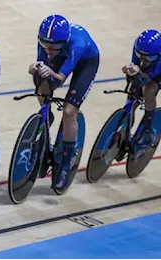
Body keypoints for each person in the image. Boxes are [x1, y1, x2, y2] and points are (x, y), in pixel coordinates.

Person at [28, 14, 100, 190]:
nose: (49, 50)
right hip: (64, 55)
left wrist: (48, 71)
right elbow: (43, 65)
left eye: (54, 47)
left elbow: (59, 78)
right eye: (45, 45)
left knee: (69, 111)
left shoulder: (78, 44)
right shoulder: (47, 41)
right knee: (41, 81)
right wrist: (35, 69)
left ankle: (66, 164)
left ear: (65, 41)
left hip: (85, 62)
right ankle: (47, 115)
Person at [122, 29, 161, 145]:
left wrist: (138, 72)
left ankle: (147, 129)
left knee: (149, 89)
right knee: (133, 94)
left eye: (148, 58)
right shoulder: (139, 46)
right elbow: (135, 66)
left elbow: (146, 77)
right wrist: (130, 71)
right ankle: (123, 130)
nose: (143, 60)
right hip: (155, 59)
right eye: (139, 55)